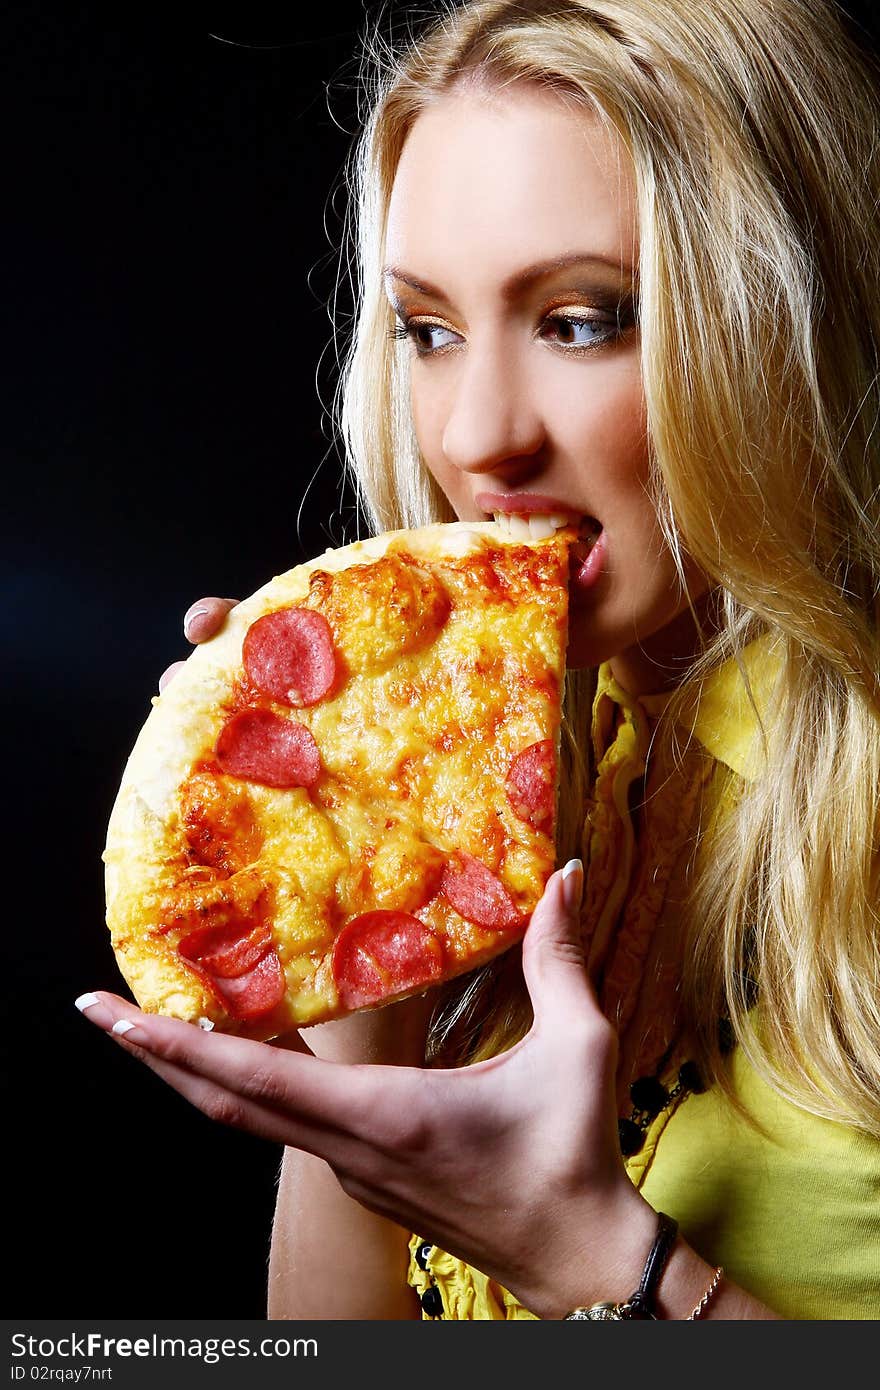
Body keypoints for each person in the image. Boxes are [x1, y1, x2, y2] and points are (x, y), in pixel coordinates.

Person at [77, 0, 880, 1319]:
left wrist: (593, 1259)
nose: (478, 438)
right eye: (430, 329)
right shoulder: (529, 761)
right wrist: (359, 981)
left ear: (780, 320)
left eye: (581, 319)